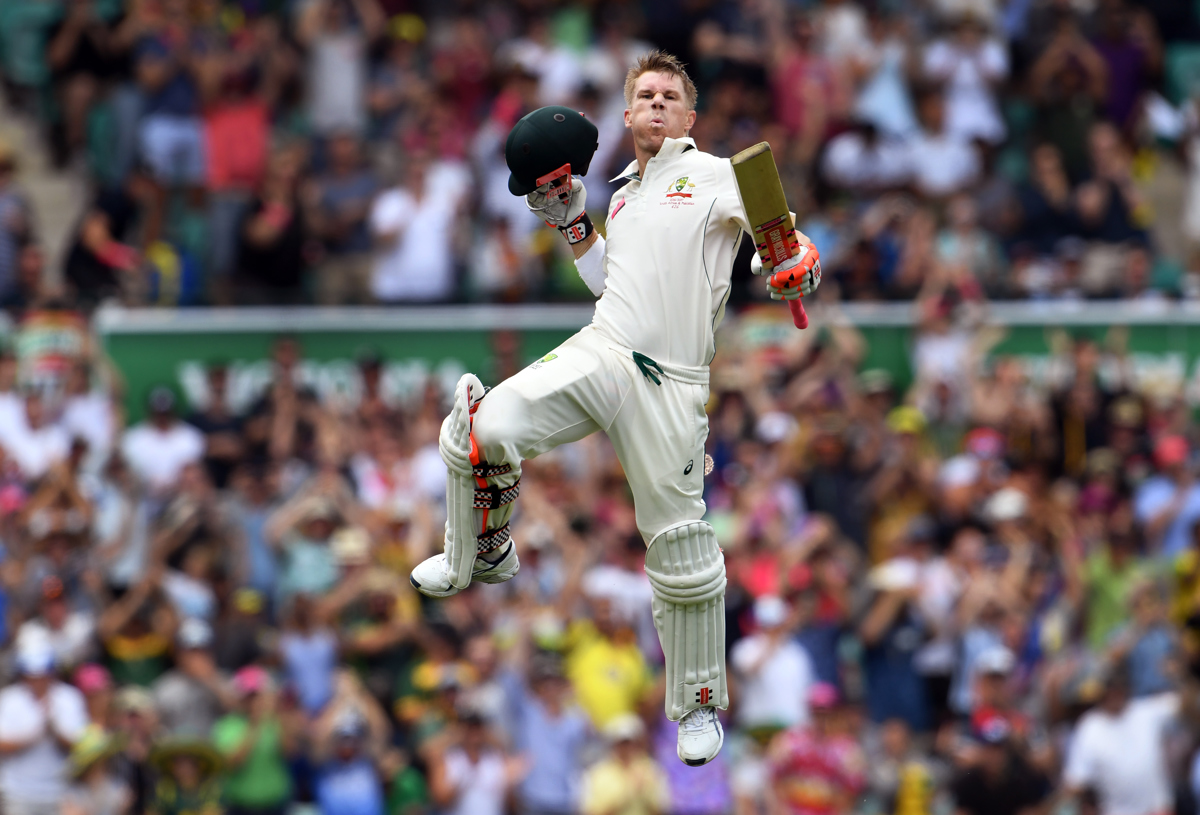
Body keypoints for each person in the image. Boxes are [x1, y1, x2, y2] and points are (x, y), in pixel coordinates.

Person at [409, 50, 823, 766]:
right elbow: (610, 285)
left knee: (682, 552)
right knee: (483, 426)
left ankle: (696, 705)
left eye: (670, 96)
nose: (656, 104)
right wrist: (574, 222)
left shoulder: (717, 174)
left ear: (688, 117)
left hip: (673, 380)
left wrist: (794, 265)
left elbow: (775, 239)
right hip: (605, 348)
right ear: (627, 114)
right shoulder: (624, 192)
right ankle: (483, 546)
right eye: (645, 95)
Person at [0, 641, 90, 815]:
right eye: (32, 676)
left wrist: (54, 730)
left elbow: (82, 747)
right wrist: (34, 735)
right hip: (18, 791)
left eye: (43, 675)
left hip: (61, 790)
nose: (38, 681)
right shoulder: (9, 699)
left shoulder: (70, 698)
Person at [579, 714, 669, 815]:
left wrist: (644, 793)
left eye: (630, 743)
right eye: (622, 744)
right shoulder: (596, 774)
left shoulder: (652, 770)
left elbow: (662, 809)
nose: (626, 748)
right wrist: (629, 792)